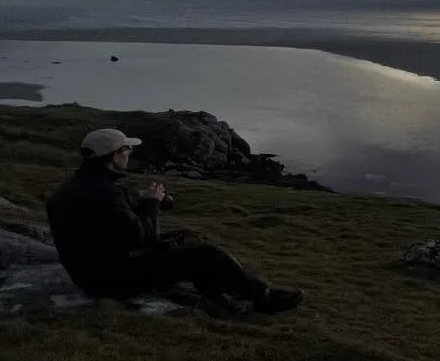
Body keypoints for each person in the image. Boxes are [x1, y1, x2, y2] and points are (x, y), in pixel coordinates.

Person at [46, 127, 303, 313]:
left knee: (185, 240)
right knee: (206, 254)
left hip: (91, 272)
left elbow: (104, 226)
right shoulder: (106, 192)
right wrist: (152, 202)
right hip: (110, 280)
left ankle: (221, 302)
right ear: (113, 156)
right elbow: (144, 238)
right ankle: (263, 297)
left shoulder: (71, 190)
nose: (130, 154)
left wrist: (140, 202)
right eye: (127, 150)